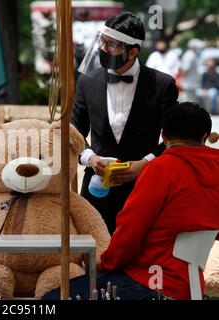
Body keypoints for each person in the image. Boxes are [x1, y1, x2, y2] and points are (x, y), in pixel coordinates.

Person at [44, 102, 219, 300]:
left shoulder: (161, 168)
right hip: (191, 285)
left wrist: (105, 264)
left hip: (150, 281)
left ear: (164, 137)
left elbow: (131, 229)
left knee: (50, 298)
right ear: (204, 137)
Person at [71, 12, 179, 234]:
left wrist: (144, 164)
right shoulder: (87, 81)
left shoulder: (162, 84)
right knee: (93, 255)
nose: (103, 48)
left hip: (145, 189)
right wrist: (90, 158)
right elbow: (75, 133)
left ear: (133, 52)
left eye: (112, 45)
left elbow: (175, 139)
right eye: (102, 41)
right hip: (96, 188)